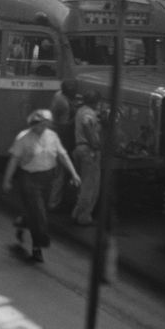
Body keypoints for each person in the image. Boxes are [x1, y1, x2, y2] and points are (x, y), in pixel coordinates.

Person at [2, 109, 81, 263]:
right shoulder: (23, 138)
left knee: (39, 210)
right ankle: (38, 246)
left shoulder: (52, 137)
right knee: (39, 213)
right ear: (32, 125)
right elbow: (14, 161)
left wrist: (74, 173)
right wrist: (7, 180)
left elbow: (62, 155)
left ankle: (22, 221)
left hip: (47, 177)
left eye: (45, 124)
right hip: (29, 178)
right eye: (38, 125)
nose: (41, 128)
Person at [70, 91, 103, 227]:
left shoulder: (81, 110)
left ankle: (77, 214)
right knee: (90, 186)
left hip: (79, 149)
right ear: (95, 102)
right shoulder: (88, 113)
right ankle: (82, 216)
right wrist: (95, 144)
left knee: (84, 185)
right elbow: (87, 124)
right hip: (88, 151)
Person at [48, 79, 79, 210]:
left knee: (57, 172)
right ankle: (53, 203)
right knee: (60, 174)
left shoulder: (58, 94)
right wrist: (77, 115)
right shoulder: (64, 104)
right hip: (60, 137)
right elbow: (65, 125)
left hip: (54, 135)